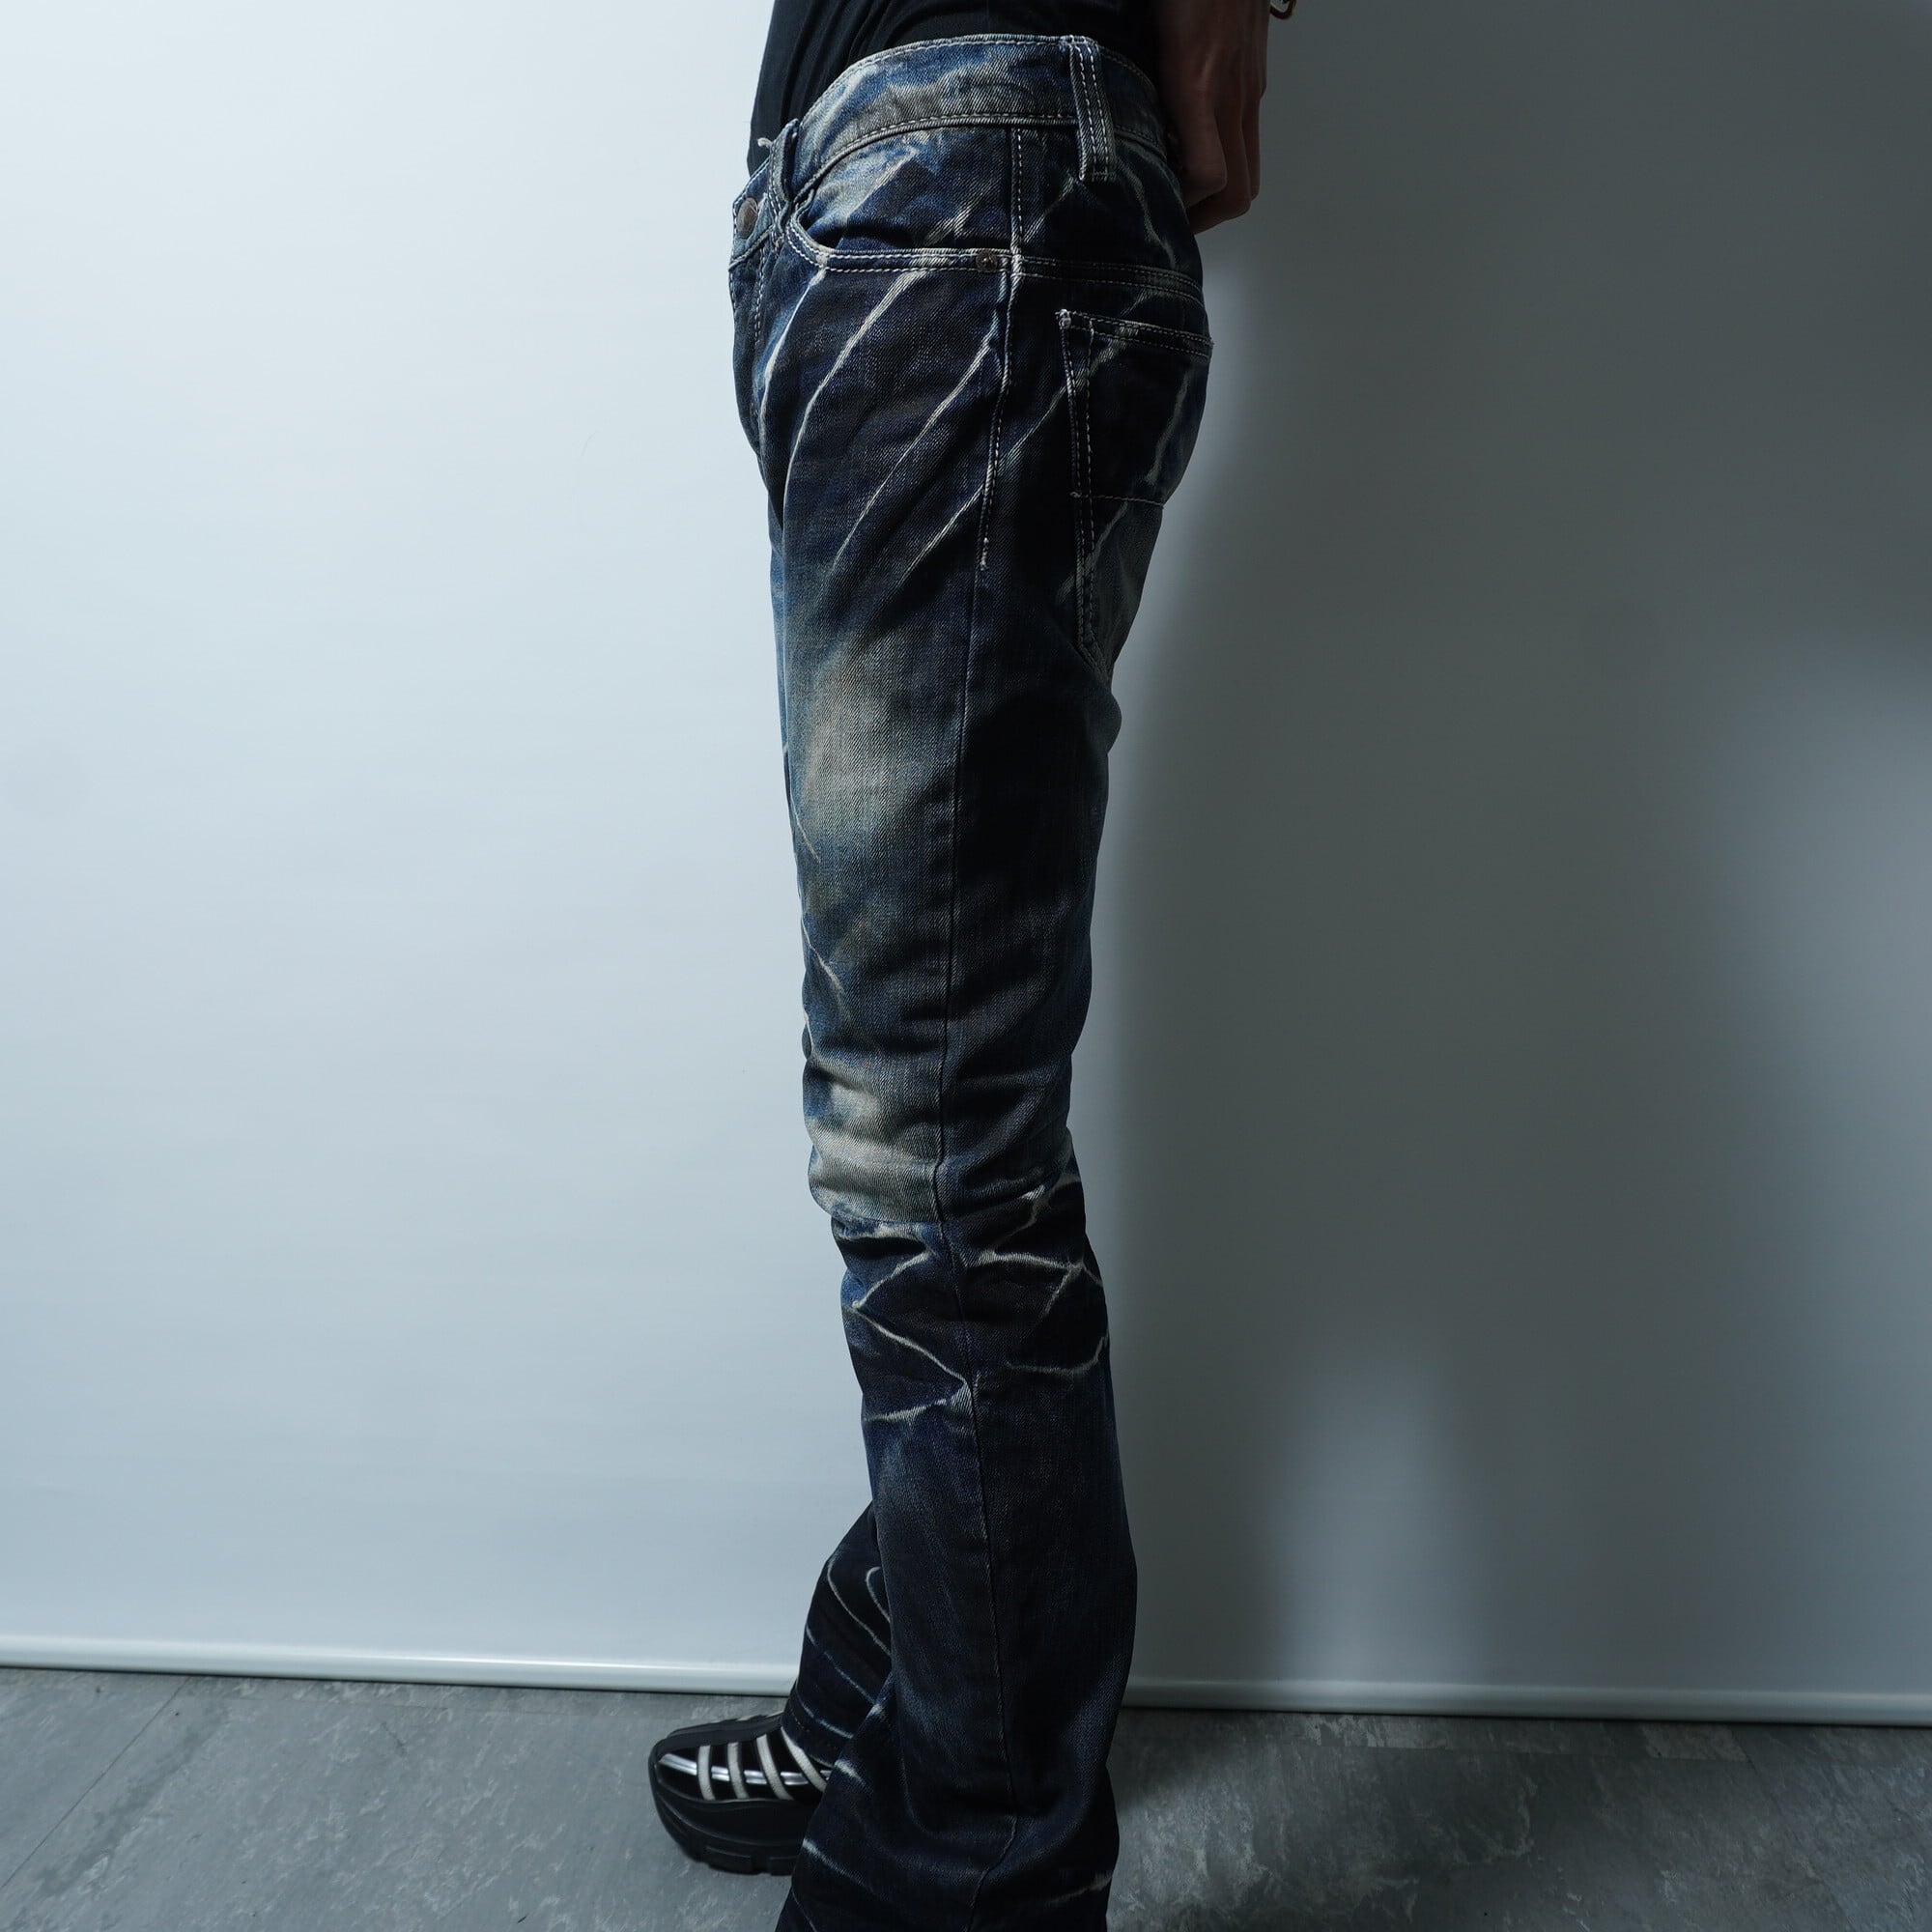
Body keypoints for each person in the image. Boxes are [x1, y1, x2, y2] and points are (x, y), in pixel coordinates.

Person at [651, 2, 1277, 1923]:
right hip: (896, 201)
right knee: (930, 1117)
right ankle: (904, 1705)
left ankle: (971, 1866)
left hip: (958, 185)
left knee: (932, 1146)